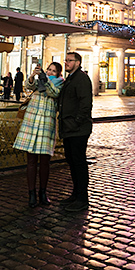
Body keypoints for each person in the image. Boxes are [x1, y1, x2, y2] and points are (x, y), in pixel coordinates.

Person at [13, 62, 64, 207]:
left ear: (58, 74)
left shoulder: (60, 83)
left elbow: (53, 92)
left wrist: (45, 79)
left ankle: (43, 192)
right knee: (31, 161)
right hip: (32, 122)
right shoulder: (39, 81)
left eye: (53, 71)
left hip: (46, 125)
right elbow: (28, 86)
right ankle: (31, 194)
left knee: (45, 162)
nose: (49, 72)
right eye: (48, 69)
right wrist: (32, 76)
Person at [58, 52, 93, 212]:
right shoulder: (71, 79)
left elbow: (85, 103)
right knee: (71, 162)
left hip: (78, 129)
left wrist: (77, 121)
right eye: (65, 60)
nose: (66, 63)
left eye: (69, 60)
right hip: (69, 128)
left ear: (78, 62)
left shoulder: (82, 78)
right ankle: (75, 194)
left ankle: (82, 198)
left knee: (79, 163)